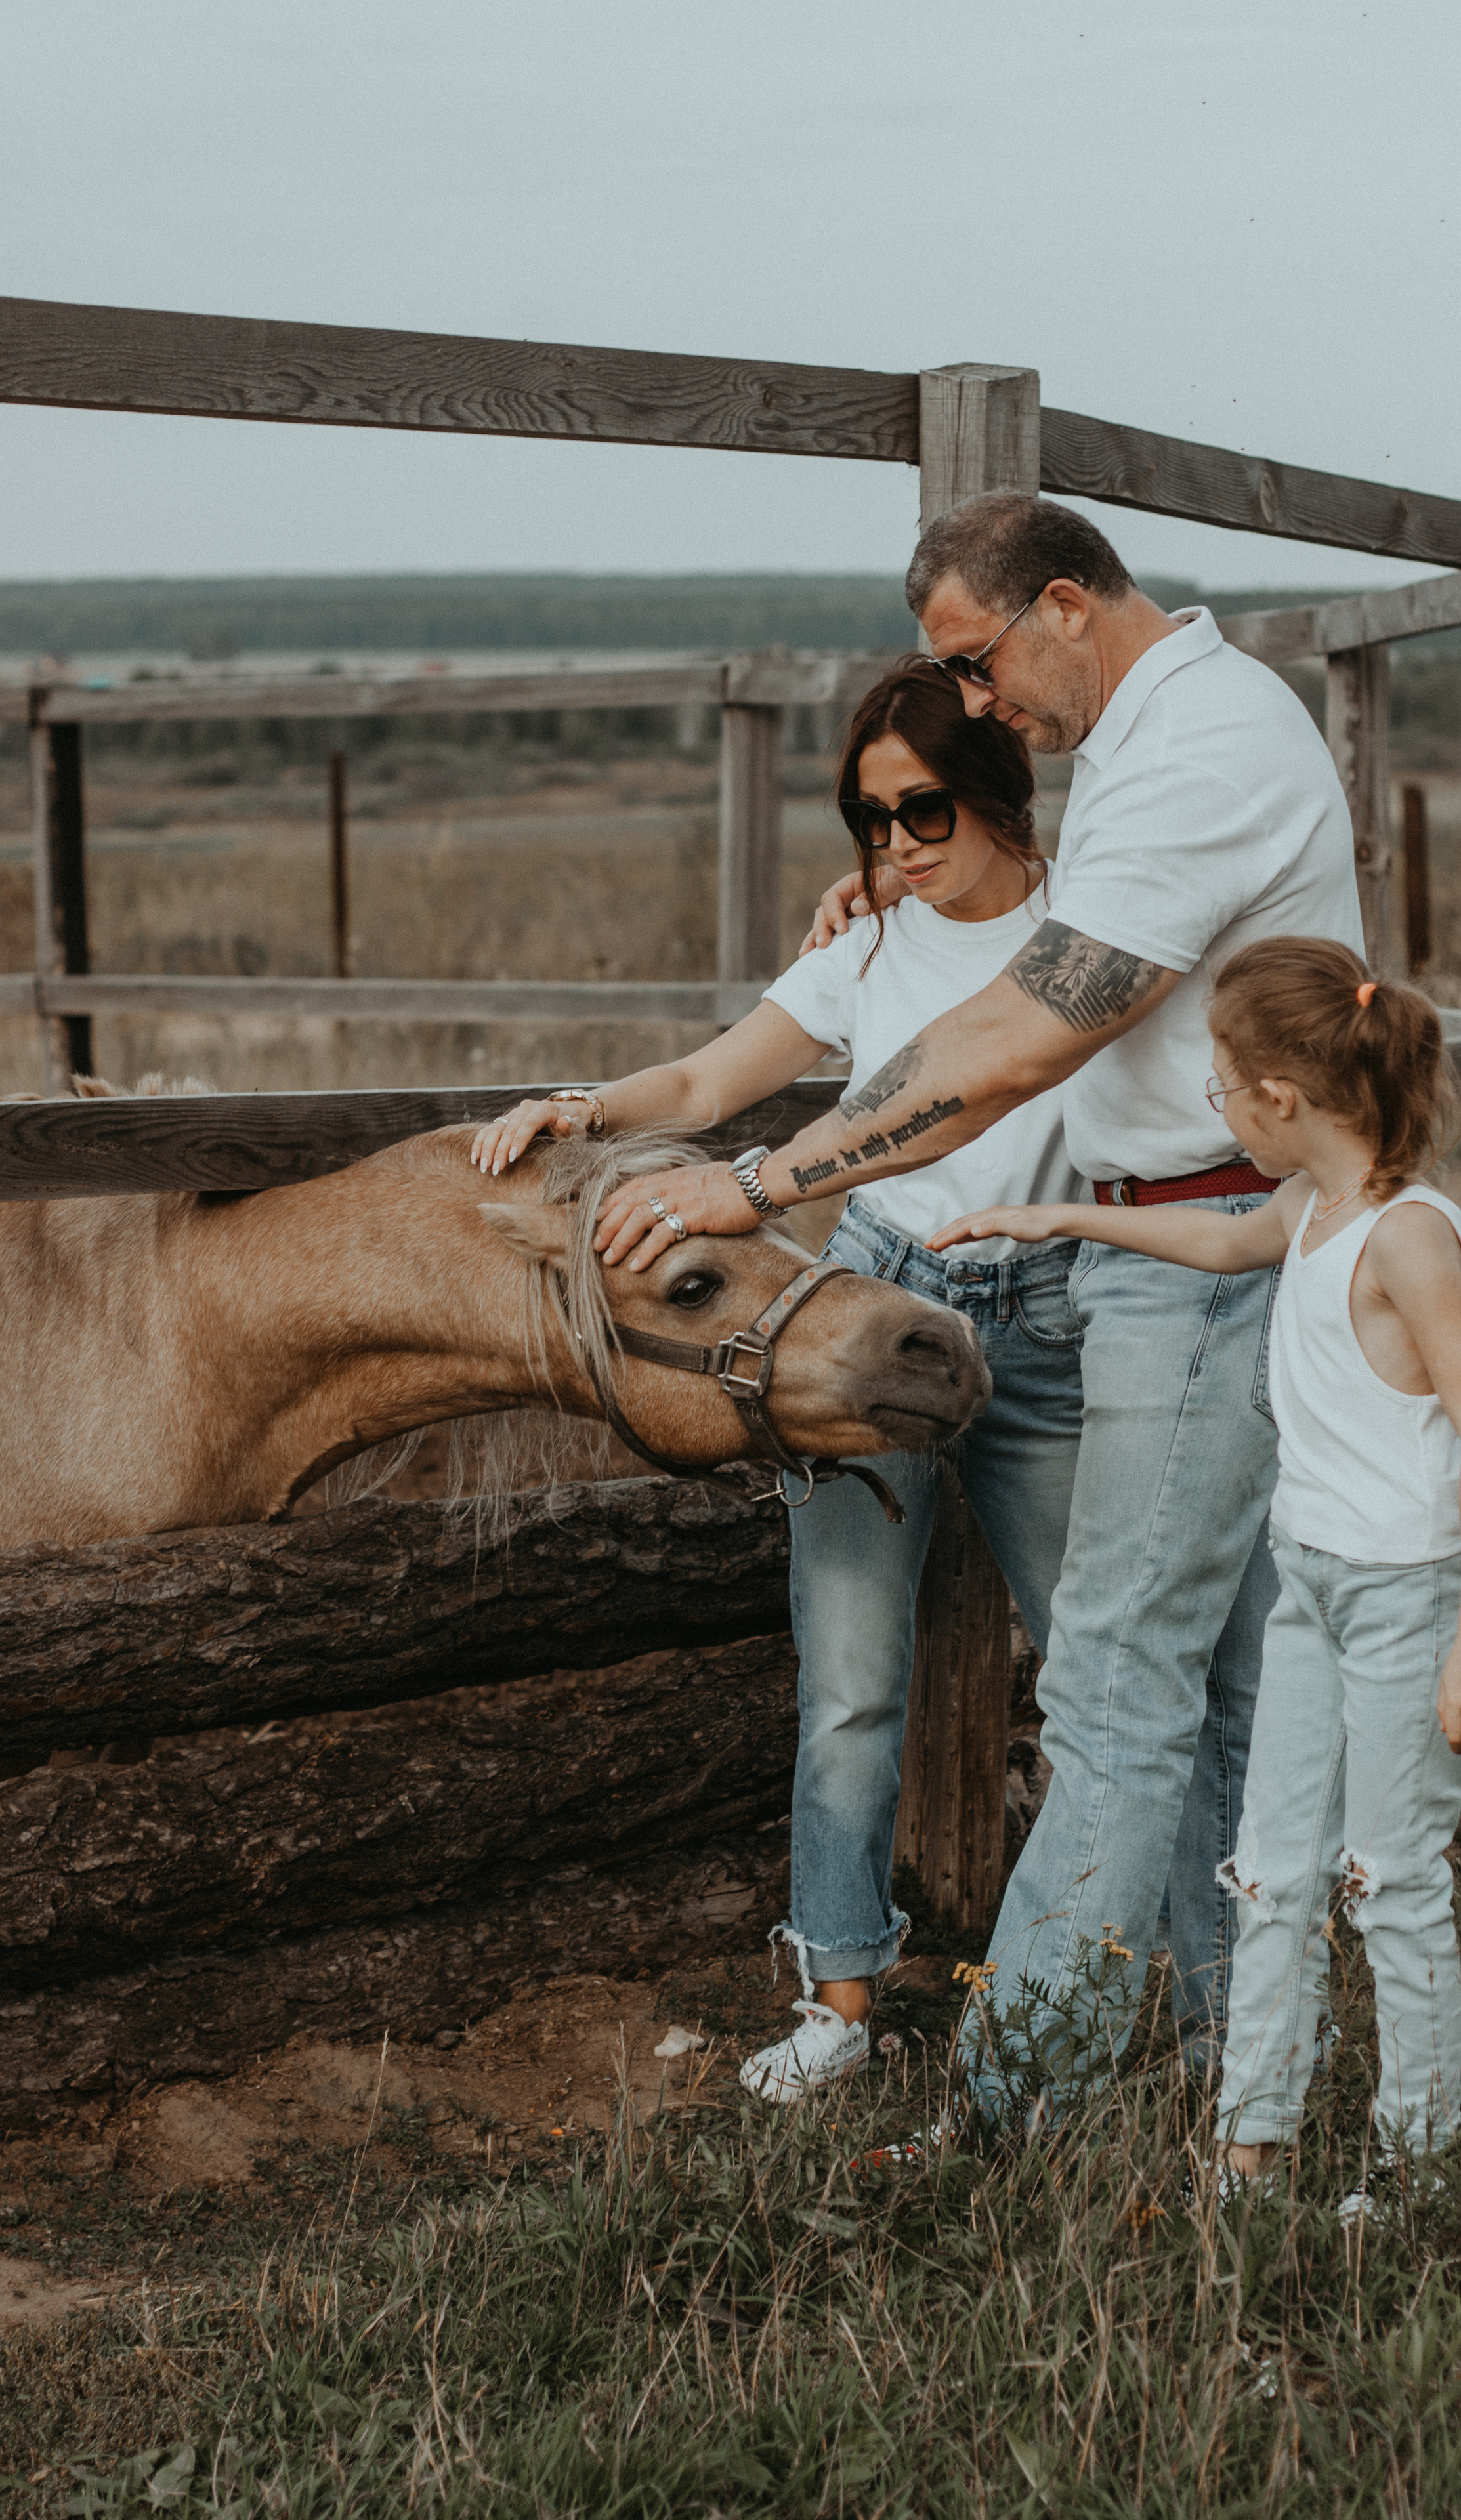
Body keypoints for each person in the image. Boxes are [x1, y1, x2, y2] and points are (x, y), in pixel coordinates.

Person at [595, 492, 1363, 2104]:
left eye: (977, 659)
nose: (977, 695)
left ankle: (1043, 2089)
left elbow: (1016, 1038)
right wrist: (879, 907)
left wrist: (755, 1185)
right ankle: (1241, 2056)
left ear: (1064, 606)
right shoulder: (1143, 749)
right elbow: (1003, 968)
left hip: (1195, 1252)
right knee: (1199, 1670)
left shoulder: (1200, 748)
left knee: (1122, 1684)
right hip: (1148, 1246)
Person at [471, 659, 1086, 2101]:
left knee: (1091, 1676)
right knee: (851, 1684)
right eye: (869, 822)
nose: (897, 848)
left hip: (1049, 1315)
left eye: (923, 811)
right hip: (865, 1310)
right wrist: (582, 1106)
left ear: (995, 790)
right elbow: (708, 1085)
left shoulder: (1088, 932)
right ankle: (839, 2001)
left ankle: (1069, 1980)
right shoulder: (863, 947)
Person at [933, 938, 1461, 2189]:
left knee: (1393, 1883)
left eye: (1221, 1085)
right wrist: (1055, 1216)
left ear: (1282, 1100)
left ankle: (1414, 2168)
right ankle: (1252, 2141)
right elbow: (1215, 1246)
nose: (1218, 1106)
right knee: (1272, 1872)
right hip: (1309, 1586)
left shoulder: (1409, 1239)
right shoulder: (1309, 1208)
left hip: (1404, 1600)